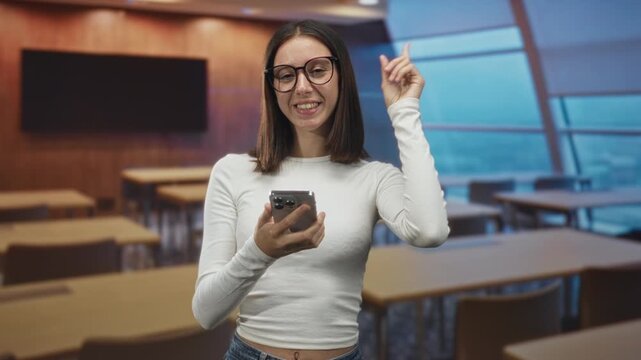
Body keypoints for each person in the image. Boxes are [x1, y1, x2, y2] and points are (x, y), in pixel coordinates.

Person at [192, 19, 449, 360]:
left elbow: (430, 231)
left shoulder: (374, 177)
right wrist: (260, 252)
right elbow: (206, 312)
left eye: (317, 70)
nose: (302, 86)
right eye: (286, 75)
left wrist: (404, 110)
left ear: (341, 78)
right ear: (272, 87)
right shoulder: (231, 172)